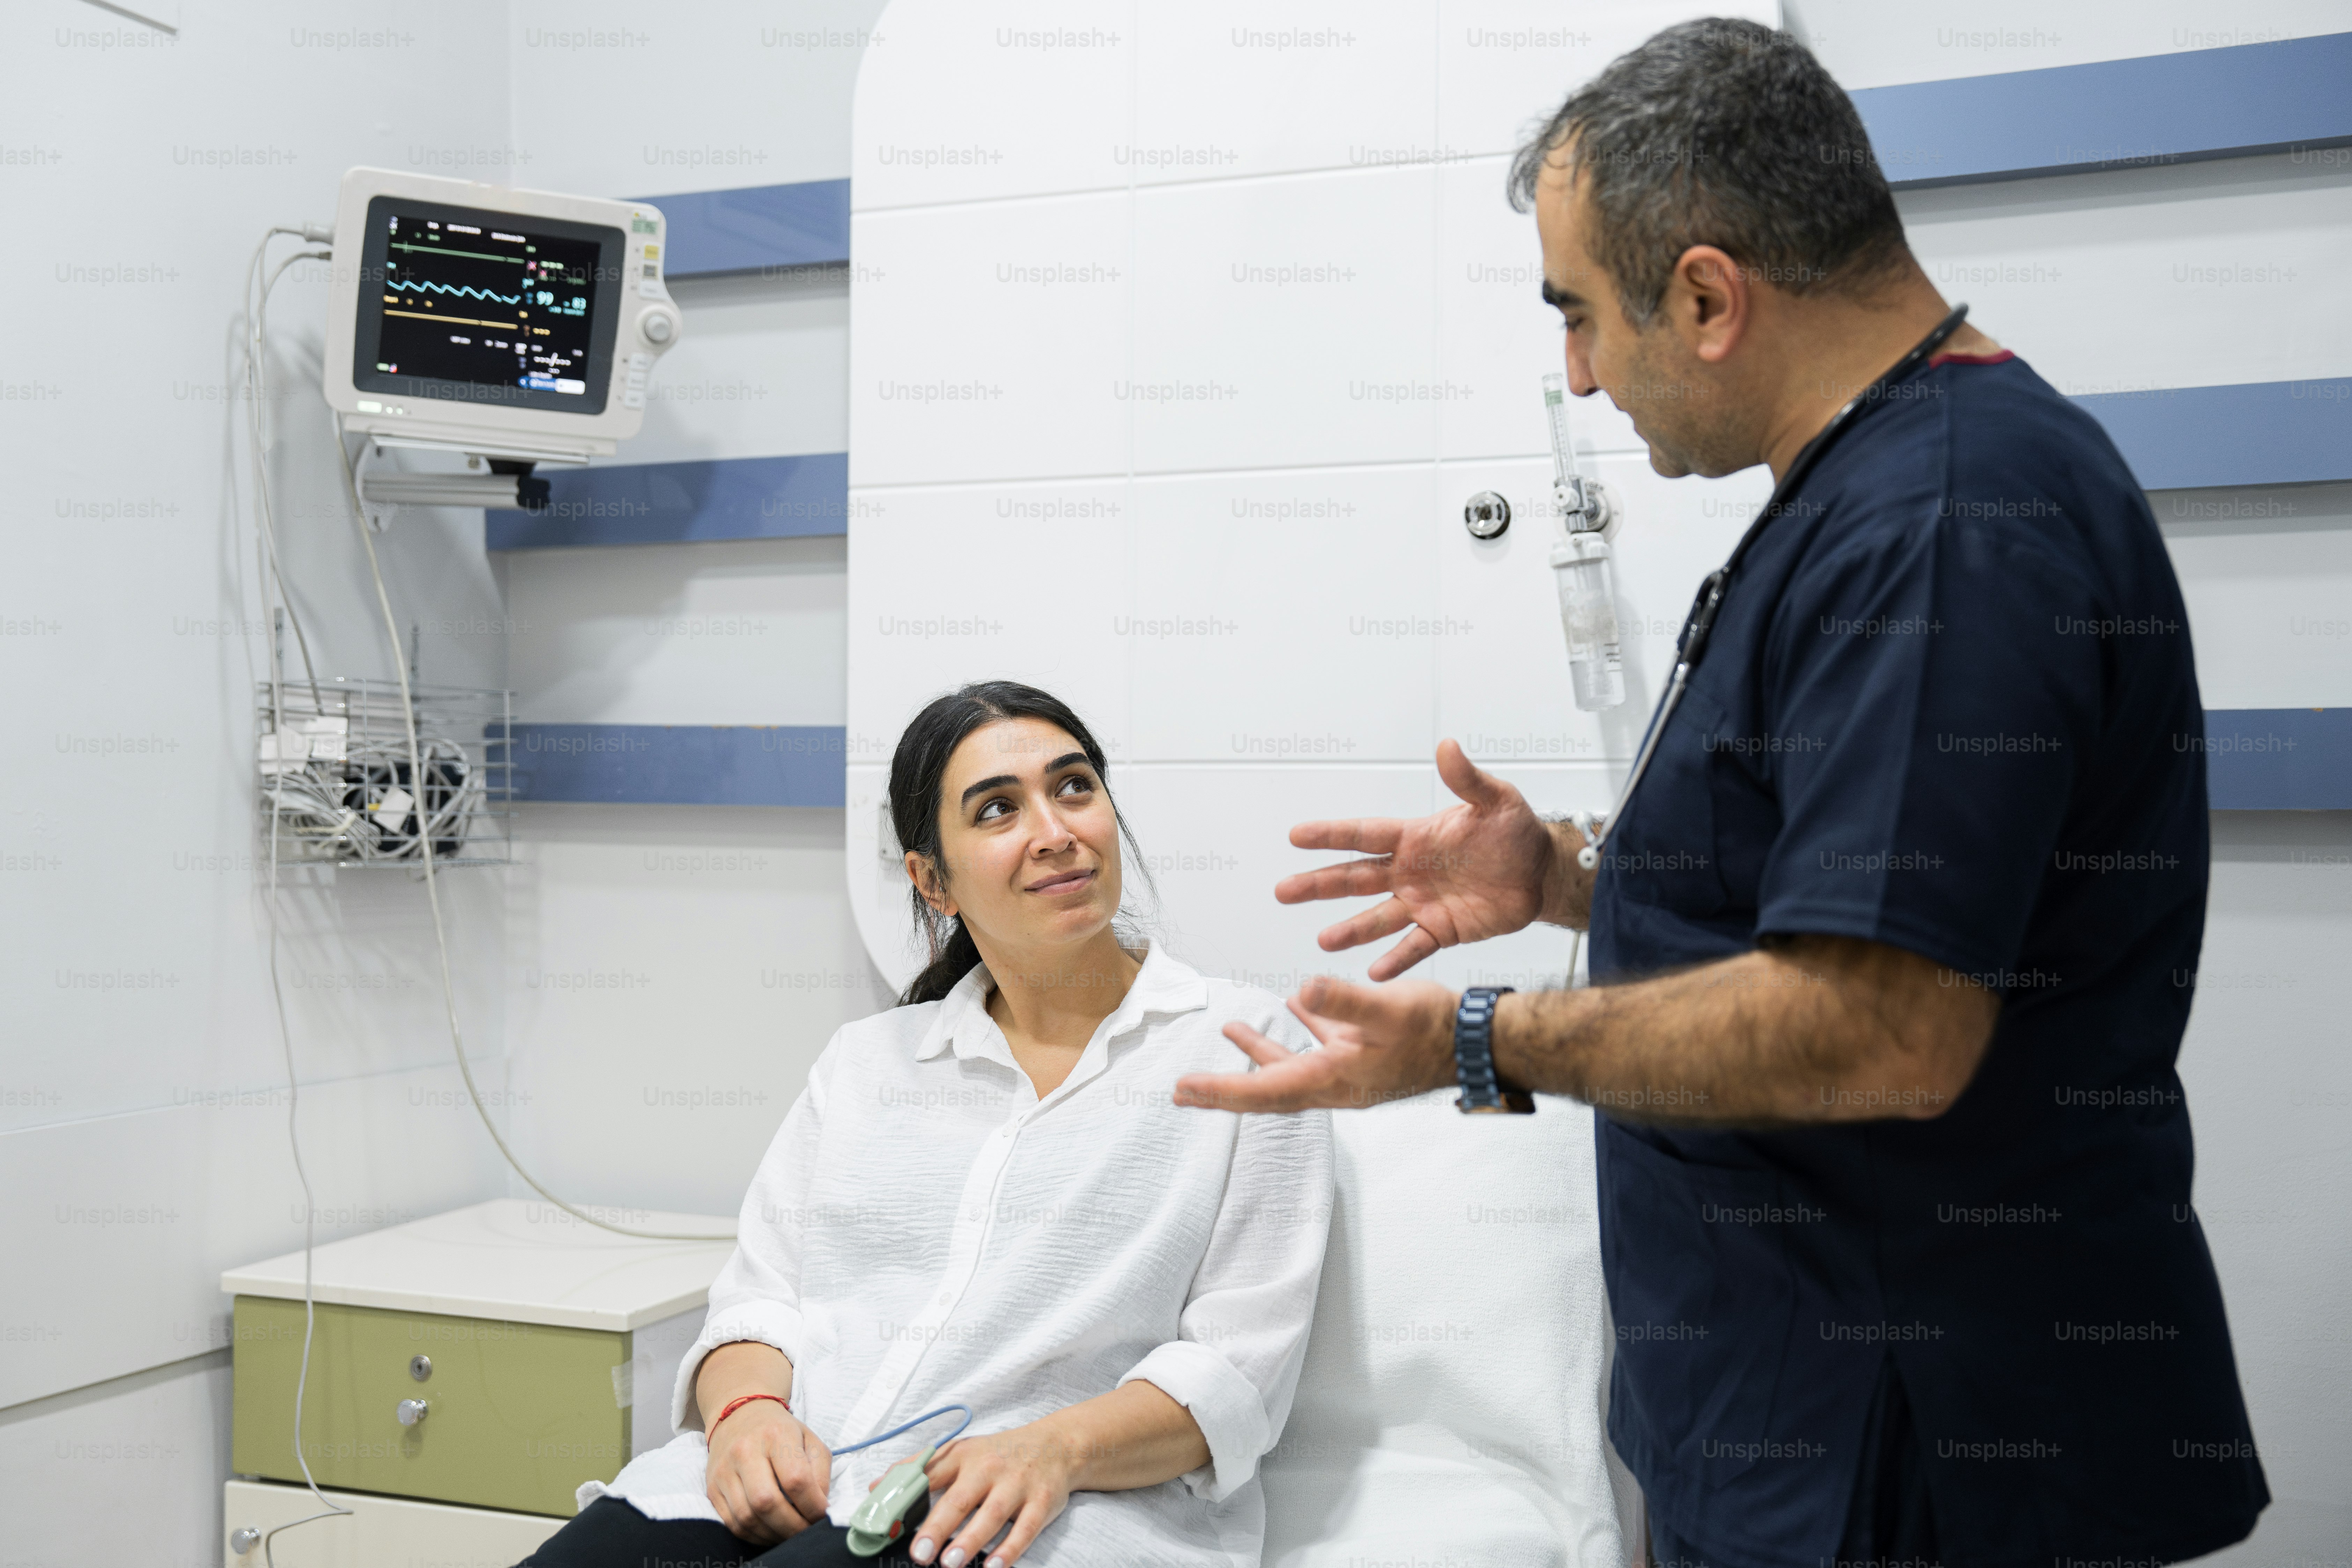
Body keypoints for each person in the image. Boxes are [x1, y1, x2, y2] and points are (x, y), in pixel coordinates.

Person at [1174, 19, 2267, 1568]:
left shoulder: (1942, 530)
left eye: (1576, 318)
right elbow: (1827, 886)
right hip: (1811, 1415)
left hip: (1916, 1445)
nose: (1572, 370)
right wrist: (1563, 878)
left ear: (1703, 297)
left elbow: (1881, 1023)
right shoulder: (1875, 490)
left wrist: (1467, 1044)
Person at [525, 681, 1332, 1568]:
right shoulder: (867, 1064)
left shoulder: (1248, 1047)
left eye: (1074, 787)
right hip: (780, 1484)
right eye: (998, 809)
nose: (1057, 830)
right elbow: (761, 1301)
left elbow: (1235, 1369)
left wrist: (1052, 1448)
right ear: (933, 881)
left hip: (1020, 1513)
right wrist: (743, 1417)